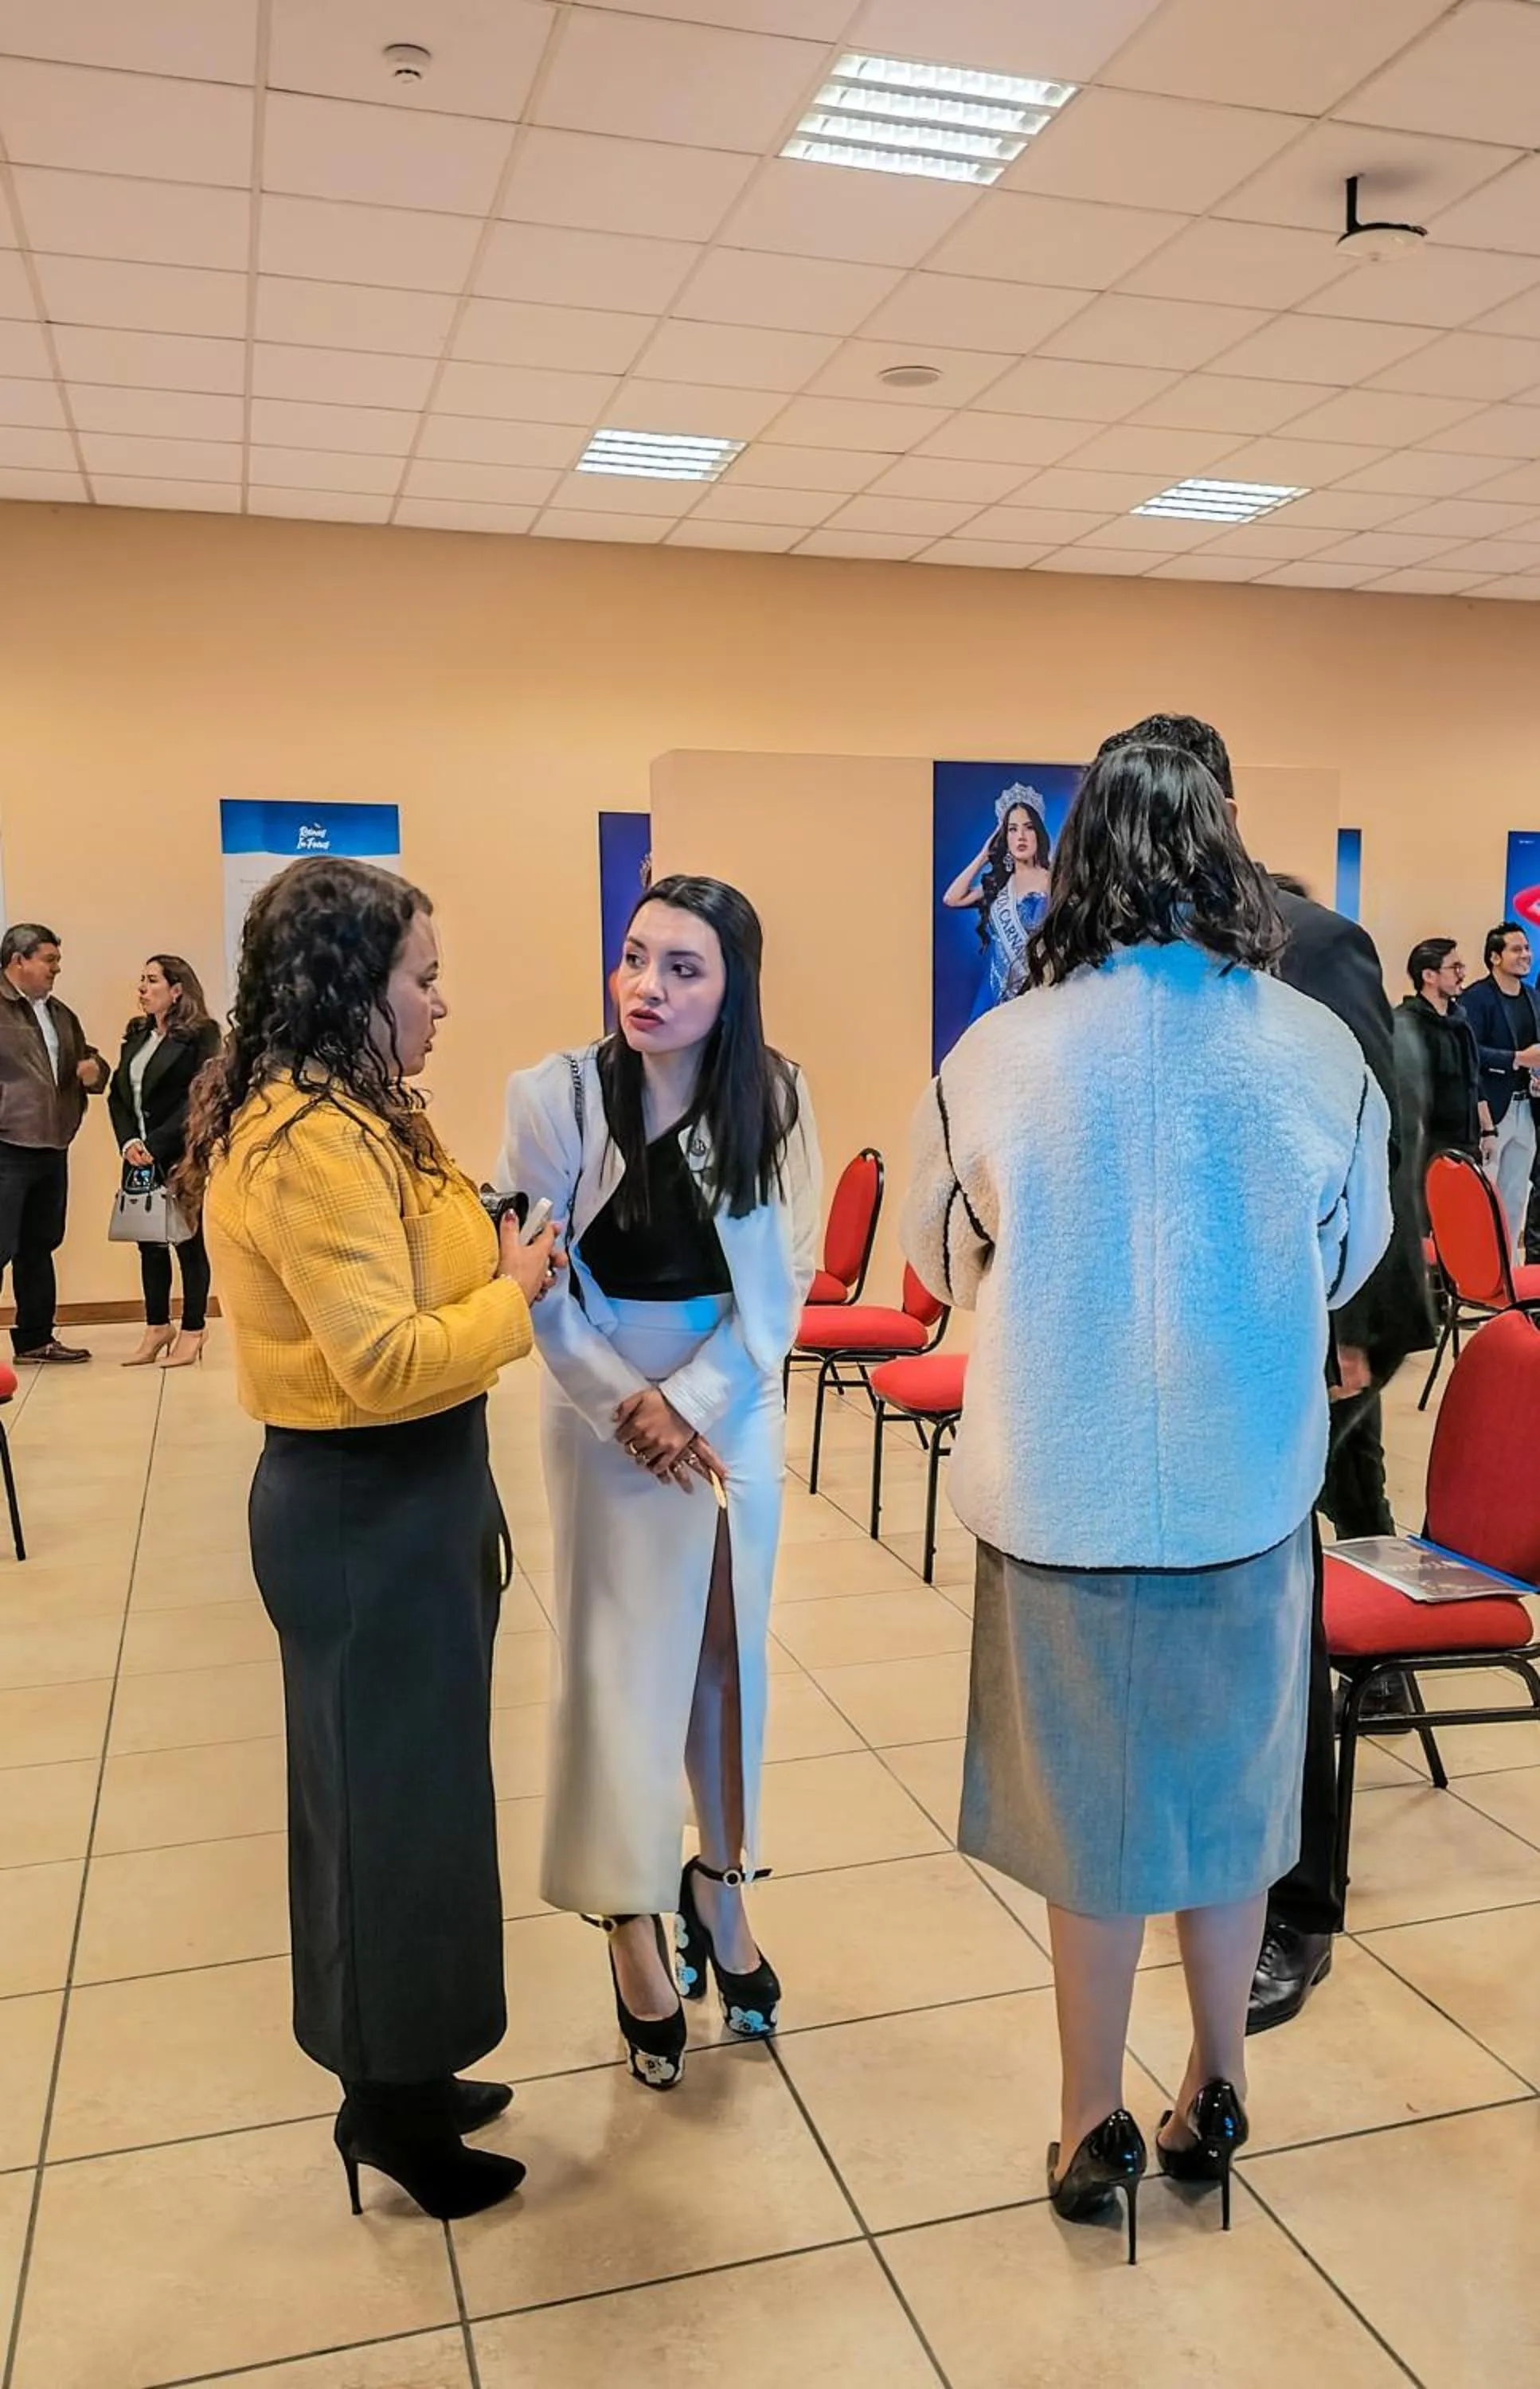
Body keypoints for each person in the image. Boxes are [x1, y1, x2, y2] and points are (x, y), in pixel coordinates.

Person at [904, 743, 1390, 2262]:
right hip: (1243, 1489)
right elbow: (1345, 1251)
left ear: (1081, 856)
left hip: (1060, 1483)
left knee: (1087, 1822)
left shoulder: (1000, 1049)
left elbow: (938, 1256)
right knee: (1233, 1806)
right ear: (1227, 854)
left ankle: (1085, 2118)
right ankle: (1215, 2084)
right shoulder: (1314, 1050)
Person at [187, 857, 560, 2221]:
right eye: (422, 977)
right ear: (353, 986)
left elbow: (432, 1263)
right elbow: (389, 1359)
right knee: (383, 1820)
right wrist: (516, 1294)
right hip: (362, 1507)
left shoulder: (361, 1114)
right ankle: (389, 2110)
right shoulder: (309, 1145)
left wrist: (496, 1249)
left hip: (408, 1498)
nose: (442, 1003)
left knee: (418, 1810)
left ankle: (401, 2068)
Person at [1094, 715, 1430, 2035]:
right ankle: (1201, 1852)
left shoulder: (1312, 942)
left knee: (1273, 1624)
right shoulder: (1119, 957)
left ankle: (1293, 1907)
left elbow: (1370, 1152)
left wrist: (1350, 1320)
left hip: (1304, 1330)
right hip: (1171, 1346)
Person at [497, 875, 819, 2093]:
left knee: (724, 1659)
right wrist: (623, 1403)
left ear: (730, 985)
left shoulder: (774, 1097)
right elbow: (533, 1274)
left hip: (728, 1405)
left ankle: (719, 1887)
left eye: (682, 967)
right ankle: (628, 1915)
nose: (646, 986)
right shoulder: (554, 1095)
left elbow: (779, 1289)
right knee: (615, 1664)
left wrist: (686, 1404)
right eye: (634, 958)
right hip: (598, 1413)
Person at [0, 923, 109, 1363]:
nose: (56, 970)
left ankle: (35, 1339)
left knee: (40, 1244)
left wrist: (94, 1069)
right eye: (49, 960)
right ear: (18, 960)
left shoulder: (59, 1012)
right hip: (6, 1146)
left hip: (52, 1146)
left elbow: (90, 1057)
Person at [109, 956, 221, 1368]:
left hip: (181, 1152)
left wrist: (156, 1143)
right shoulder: (136, 1034)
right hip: (138, 1153)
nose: (142, 987)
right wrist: (129, 1142)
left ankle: (194, 1328)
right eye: (141, 979)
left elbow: (201, 1095)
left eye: (152, 980)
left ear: (177, 990)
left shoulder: (202, 1035)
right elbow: (118, 1095)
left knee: (186, 1241)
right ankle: (157, 1325)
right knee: (149, 1241)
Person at [1460, 922, 1540, 1262]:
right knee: (1484, 1198)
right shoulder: (1477, 998)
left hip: (1529, 1108)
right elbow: (1468, 1051)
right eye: (1516, 949)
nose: (1526, 955)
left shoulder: (1533, 997)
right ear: (1495, 957)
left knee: (1515, 1197)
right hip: (1491, 1110)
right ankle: (1478, 1273)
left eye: (1527, 948)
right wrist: (1516, 1059)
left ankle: (1504, 1275)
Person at [942, 786, 1053, 1022]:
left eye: (1028, 828)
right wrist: (984, 854)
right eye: (1012, 830)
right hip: (992, 993)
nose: (1020, 836)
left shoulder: (1053, 881)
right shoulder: (999, 884)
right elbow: (952, 899)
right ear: (1005, 838)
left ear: (1038, 834)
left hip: (1035, 991)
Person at [1397, 940, 1493, 1207]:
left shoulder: (1460, 1022)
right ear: (1429, 976)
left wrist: (1488, 1130)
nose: (1462, 973)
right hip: (1426, 1150)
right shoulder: (1407, 1024)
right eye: (1455, 967)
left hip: (1465, 1145)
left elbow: (1475, 1080)